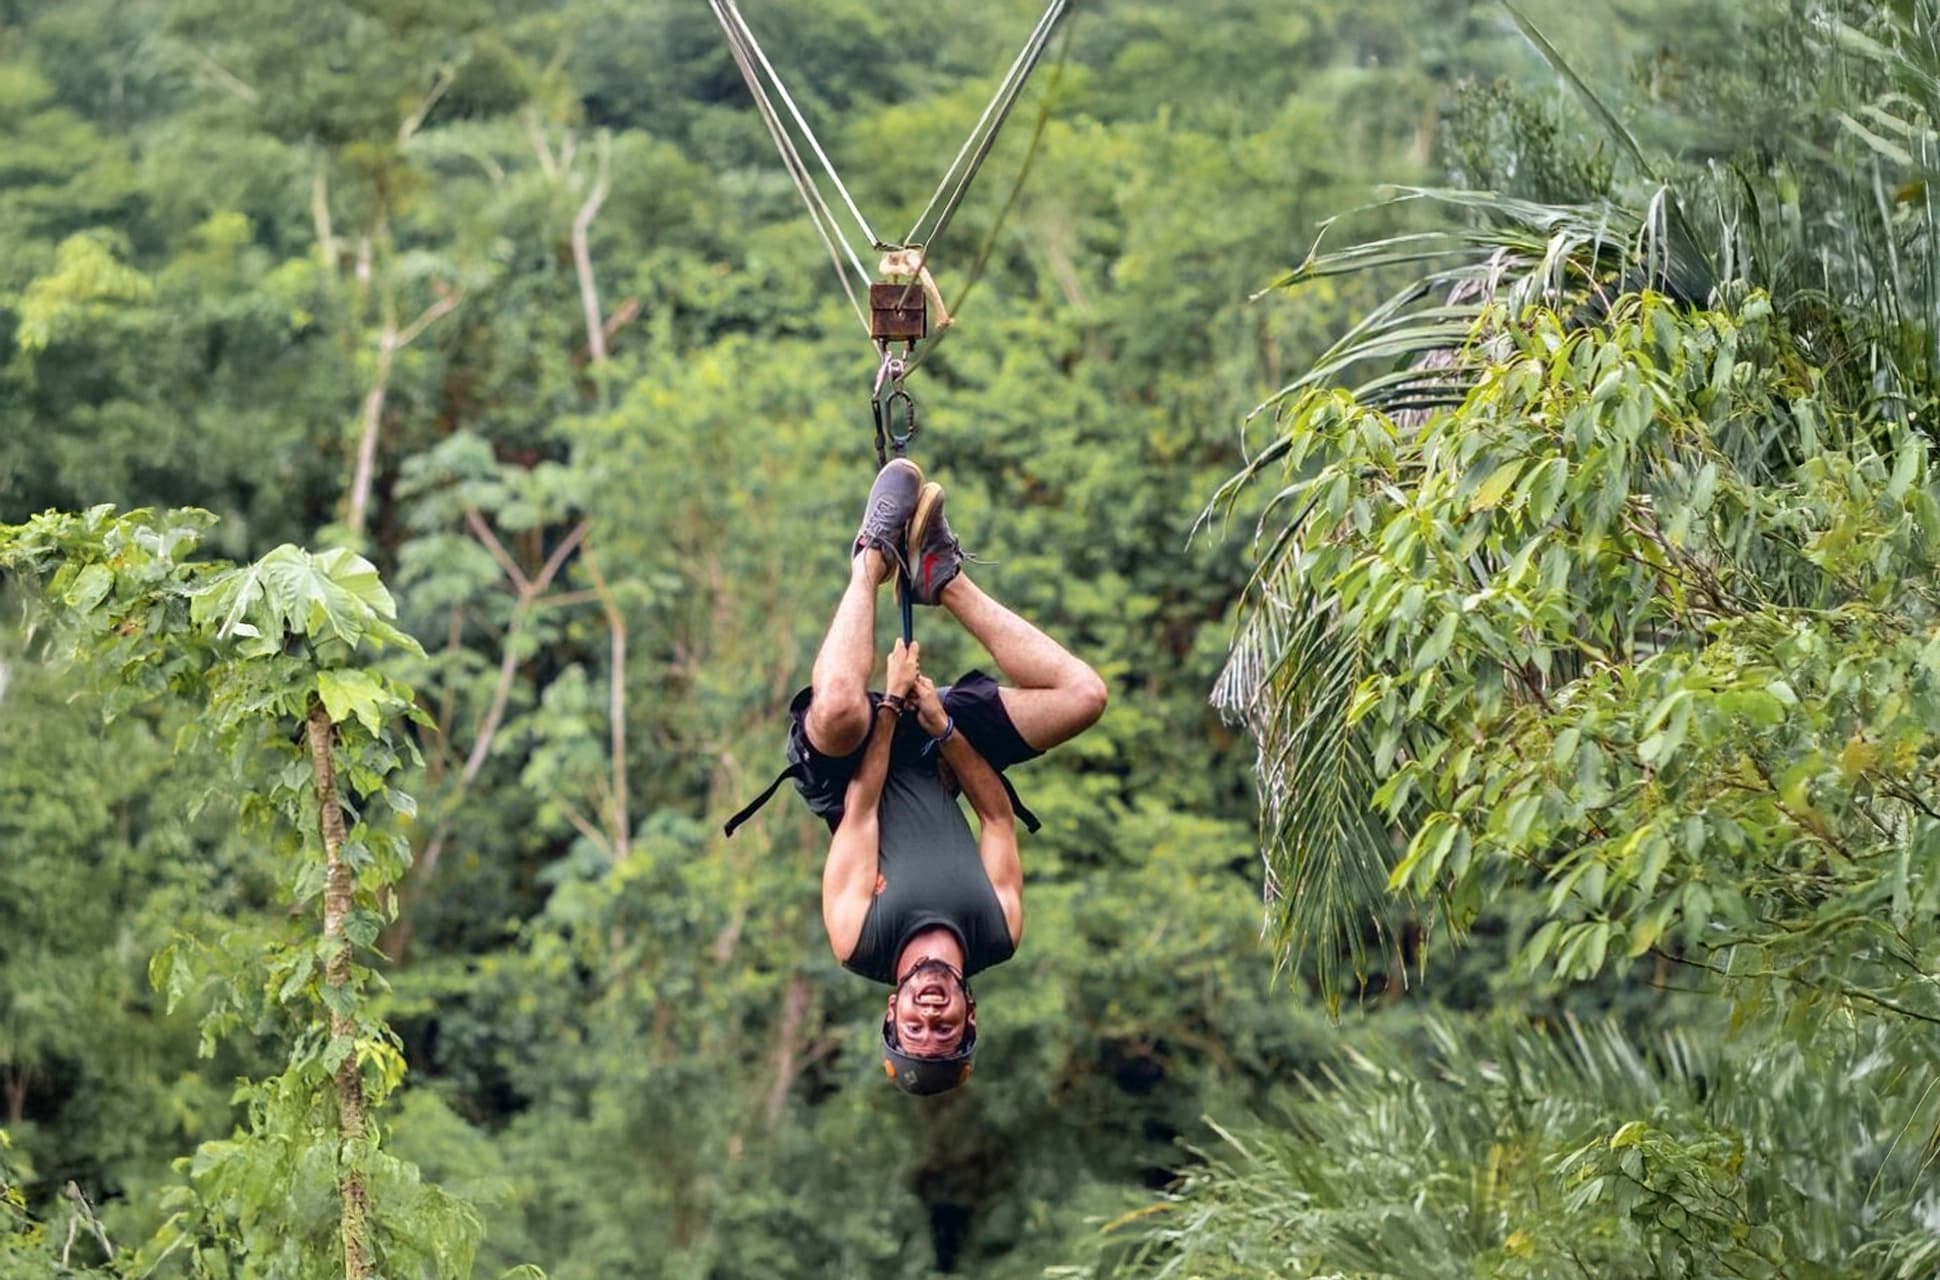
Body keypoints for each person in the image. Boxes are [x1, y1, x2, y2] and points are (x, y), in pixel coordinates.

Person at [724, 459, 1107, 1095]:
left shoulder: (858, 939)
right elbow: (995, 816)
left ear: (892, 1011)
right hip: (942, 753)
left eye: (916, 1029)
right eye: (943, 1031)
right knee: (1084, 696)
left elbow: (862, 811)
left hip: (853, 769)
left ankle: (870, 561)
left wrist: (895, 707)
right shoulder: (997, 931)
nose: (930, 1018)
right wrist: (940, 726)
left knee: (842, 706)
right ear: (970, 1015)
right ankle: (942, 578)